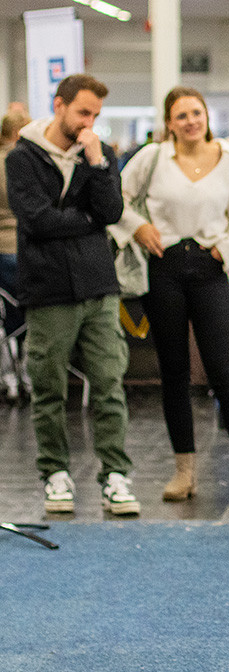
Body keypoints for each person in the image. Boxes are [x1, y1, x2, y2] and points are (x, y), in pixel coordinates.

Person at [113, 86, 229, 503]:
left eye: (196, 113)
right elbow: (117, 200)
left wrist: (227, 248)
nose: (190, 121)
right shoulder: (152, 158)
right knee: (174, 373)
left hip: (212, 268)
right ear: (169, 123)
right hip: (164, 269)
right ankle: (184, 472)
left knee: (223, 372)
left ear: (207, 117)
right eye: (181, 116)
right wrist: (138, 228)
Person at [5, 74, 140, 515]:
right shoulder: (22, 158)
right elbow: (37, 221)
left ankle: (115, 476)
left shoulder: (98, 154)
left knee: (108, 384)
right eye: (83, 112)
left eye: (97, 115)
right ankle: (55, 474)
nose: (89, 123)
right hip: (48, 291)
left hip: (99, 286)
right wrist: (86, 221)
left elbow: (113, 212)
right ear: (59, 105)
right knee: (48, 388)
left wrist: (99, 165)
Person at [0, 111, 30, 402]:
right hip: (19, 250)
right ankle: (29, 377)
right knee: (29, 317)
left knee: (4, 320)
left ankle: (7, 378)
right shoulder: (22, 164)